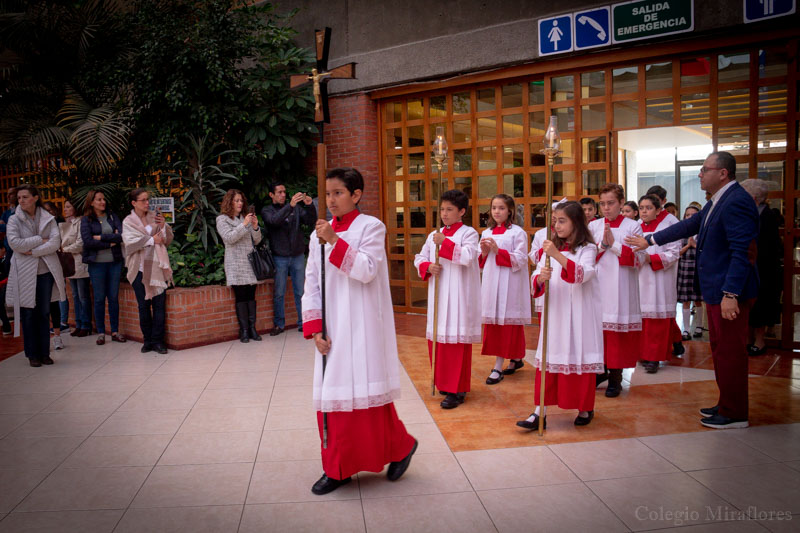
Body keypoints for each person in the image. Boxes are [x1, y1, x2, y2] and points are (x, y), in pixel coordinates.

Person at [301, 167, 417, 495]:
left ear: (356, 195)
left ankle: (400, 446)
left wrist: (335, 241)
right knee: (334, 397)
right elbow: (311, 281)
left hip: (364, 325)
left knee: (368, 396)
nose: (331, 200)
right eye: (327, 193)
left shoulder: (371, 227)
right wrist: (314, 329)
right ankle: (337, 467)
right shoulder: (316, 235)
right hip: (332, 327)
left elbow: (367, 270)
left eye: (338, 193)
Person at [627, 151, 759, 429]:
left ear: (723, 173)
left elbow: (742, 253)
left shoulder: (736, 201)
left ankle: (735, 413)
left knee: (731, 352)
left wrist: (731, 294)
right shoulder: (717, 200)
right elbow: (690, 225)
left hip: (728, 291)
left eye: (704, 169)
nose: (700, 174)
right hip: (715, 288)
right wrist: (650, 239)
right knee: (720, 350)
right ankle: (726, 403)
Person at [518, 201, 603, 430]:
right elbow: (535, 275)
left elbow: (583, 274)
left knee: (578, 356)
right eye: (555, 221)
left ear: (576, 222)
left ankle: (585, 407)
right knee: (548, 357)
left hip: (579, 314)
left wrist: (556, 255)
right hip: (555, 311)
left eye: (562, 221)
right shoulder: (549, 248)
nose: (557, 225)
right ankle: (539, 411)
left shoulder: (588, 249)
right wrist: (539, 278)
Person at [414, 189, 481, 409]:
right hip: (439, 293)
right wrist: (427, 266)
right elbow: (420, 257)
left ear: (462, 211)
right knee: (438, 339)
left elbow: (469, 256)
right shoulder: (435, 234)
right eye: (442, 209)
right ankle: (443, 381)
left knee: (455, 341)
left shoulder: (469, 233)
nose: (444, 214)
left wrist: (446, 243)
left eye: (449, 210)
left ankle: (457, 389)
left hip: (459, 295)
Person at [589, 183, 644, 397]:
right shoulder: (594, 226)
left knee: (617, 334)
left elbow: (639, 258)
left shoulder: (633, 226)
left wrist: (614, 245)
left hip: (621, 286)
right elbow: (587, 255)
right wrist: (603, 245)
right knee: (599, 331)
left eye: (611, 203)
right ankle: (601, 370)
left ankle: (616, 376)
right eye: (602, 204)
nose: (606, 208)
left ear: (621, 203)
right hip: (598, 285)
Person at [5, 184, 66, 366]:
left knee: (44, 312)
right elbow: (15, 244)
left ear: (35, 198)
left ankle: (44, 352)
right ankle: (32, 354)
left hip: (46, 272)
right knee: (29, 313)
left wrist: (33, 250)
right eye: (19, 197)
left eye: (25, 197)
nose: (21, 200)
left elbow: (55, 242)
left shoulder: (48, 218)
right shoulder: (13, 220)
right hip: (24, 272)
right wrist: (41, 240)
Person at [479, 194, 531, 385]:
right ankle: (516, 358)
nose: (497, 211)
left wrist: (498, 251)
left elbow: (522, 258)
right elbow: (480, 262)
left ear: (509, 210)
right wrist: (484, 253)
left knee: (509, 323)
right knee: (495, 322)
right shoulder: (486, 233)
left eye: (501, 208)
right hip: (492, 282)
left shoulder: (518, 233)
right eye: (494, 208)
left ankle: (498, 365)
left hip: (511, 283)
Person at [123, 189, 174, 354]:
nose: (147, 203)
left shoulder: (154, 216)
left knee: (159, 306)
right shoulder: (128, 222)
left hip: (157, 267)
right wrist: (152, 239)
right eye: (143, 200)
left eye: (147, 199)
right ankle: (148, 341)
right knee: (143, 306)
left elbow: (165, 240)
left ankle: (158, 341)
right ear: (134, 203)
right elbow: (130, 244)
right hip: (138, 269)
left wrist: (163, 225)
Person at [261, 182, 316, 336]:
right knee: (279, 292)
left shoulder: (296, 208)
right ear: (271, 195)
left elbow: (310, 221)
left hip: (297, 255)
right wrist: (290, 206)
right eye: (279, 192)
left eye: (284, 192)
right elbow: (274, 221)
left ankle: (303, 323)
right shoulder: (267, 210)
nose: (283, 195)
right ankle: (279, 324)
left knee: (301, 291)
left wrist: (310, 206)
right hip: (280, 257)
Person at [636, 194, 682, 373]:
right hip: (640, 277)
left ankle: (654, 357)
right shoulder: (636, 227)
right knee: (642, 319)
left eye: (648, 208)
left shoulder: (667, 227)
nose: (644, 211)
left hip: (660, 279)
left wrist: (650, 258)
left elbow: (674, 252)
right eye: (641, 208)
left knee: (657, 320)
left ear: (658, 210)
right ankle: (643, 354)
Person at [740, 178, 782, 356]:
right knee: (748, 305)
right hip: (747, 266)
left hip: (764, 268)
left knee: (762, 305)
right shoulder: (748, 213)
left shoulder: (768, 216)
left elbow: (770, 246)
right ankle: (748, 339)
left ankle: (760, 340)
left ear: (754, 198)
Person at [217, 189, 263, 343]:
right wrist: (244, 225)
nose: (239, 203)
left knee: (251, 296)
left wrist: (255, 227)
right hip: (235, 263)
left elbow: (256, 240)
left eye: (241, 200)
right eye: (236, 201)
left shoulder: (246, 218)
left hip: (250, 263)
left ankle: (252, 329)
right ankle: (243, 330)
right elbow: (229, 238)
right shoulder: (222, 220)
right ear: (229, 202)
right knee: (241, 297)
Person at [81, 189, 126, 345]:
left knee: (113, 298)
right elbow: (87, 242)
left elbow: (121, 236)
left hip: (114, 262)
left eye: (103, 199)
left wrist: (100, 238)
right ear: (91, 202)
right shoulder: (86, 220)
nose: (103, 202)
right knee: (99, 299)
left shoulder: (113, 217)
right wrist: (109, 242)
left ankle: (115, 331)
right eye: (99, 199)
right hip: (97, 264)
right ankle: (101, 332)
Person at [60, 199, 91, 337]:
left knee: (83, 296)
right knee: (75, 295)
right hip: (69, 263)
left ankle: (86, 324)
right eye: (64, 207)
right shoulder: (65, 224)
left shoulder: (81, 221)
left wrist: (64, 249)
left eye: (68, 207)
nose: (65, 209)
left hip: (80, 262)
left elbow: (80, 244)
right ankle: (78, 324)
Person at [677, 203, 704, 340]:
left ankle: (699, 326)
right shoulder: (682, 233)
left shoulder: (703, 231)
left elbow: (707, 251)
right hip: (684, 267)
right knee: (685, 300)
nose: (690, 217)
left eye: (693, 215)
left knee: (698, 300)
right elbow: (677, 253)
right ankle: (686, 329)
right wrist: (688, 245)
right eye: (687, 215)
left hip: (698, 267)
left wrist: (696, 245)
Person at [43, 201, 67, 348]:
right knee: (41, 306)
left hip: (53, 267)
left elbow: (56, 244)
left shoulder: (57, 225)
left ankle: (57, 336)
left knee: (54, 303)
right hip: (37, 269)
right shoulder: (36, 226)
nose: (48, 213)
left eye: (50, 210)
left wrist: (42, 244)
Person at [0, 187, 15, 336]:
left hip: (18, 252)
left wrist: (6, 225)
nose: (9, 196)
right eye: (8, 194)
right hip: (8, 252)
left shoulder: (18, 212)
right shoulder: (6, 211)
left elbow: (9, 226)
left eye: (12, 194)